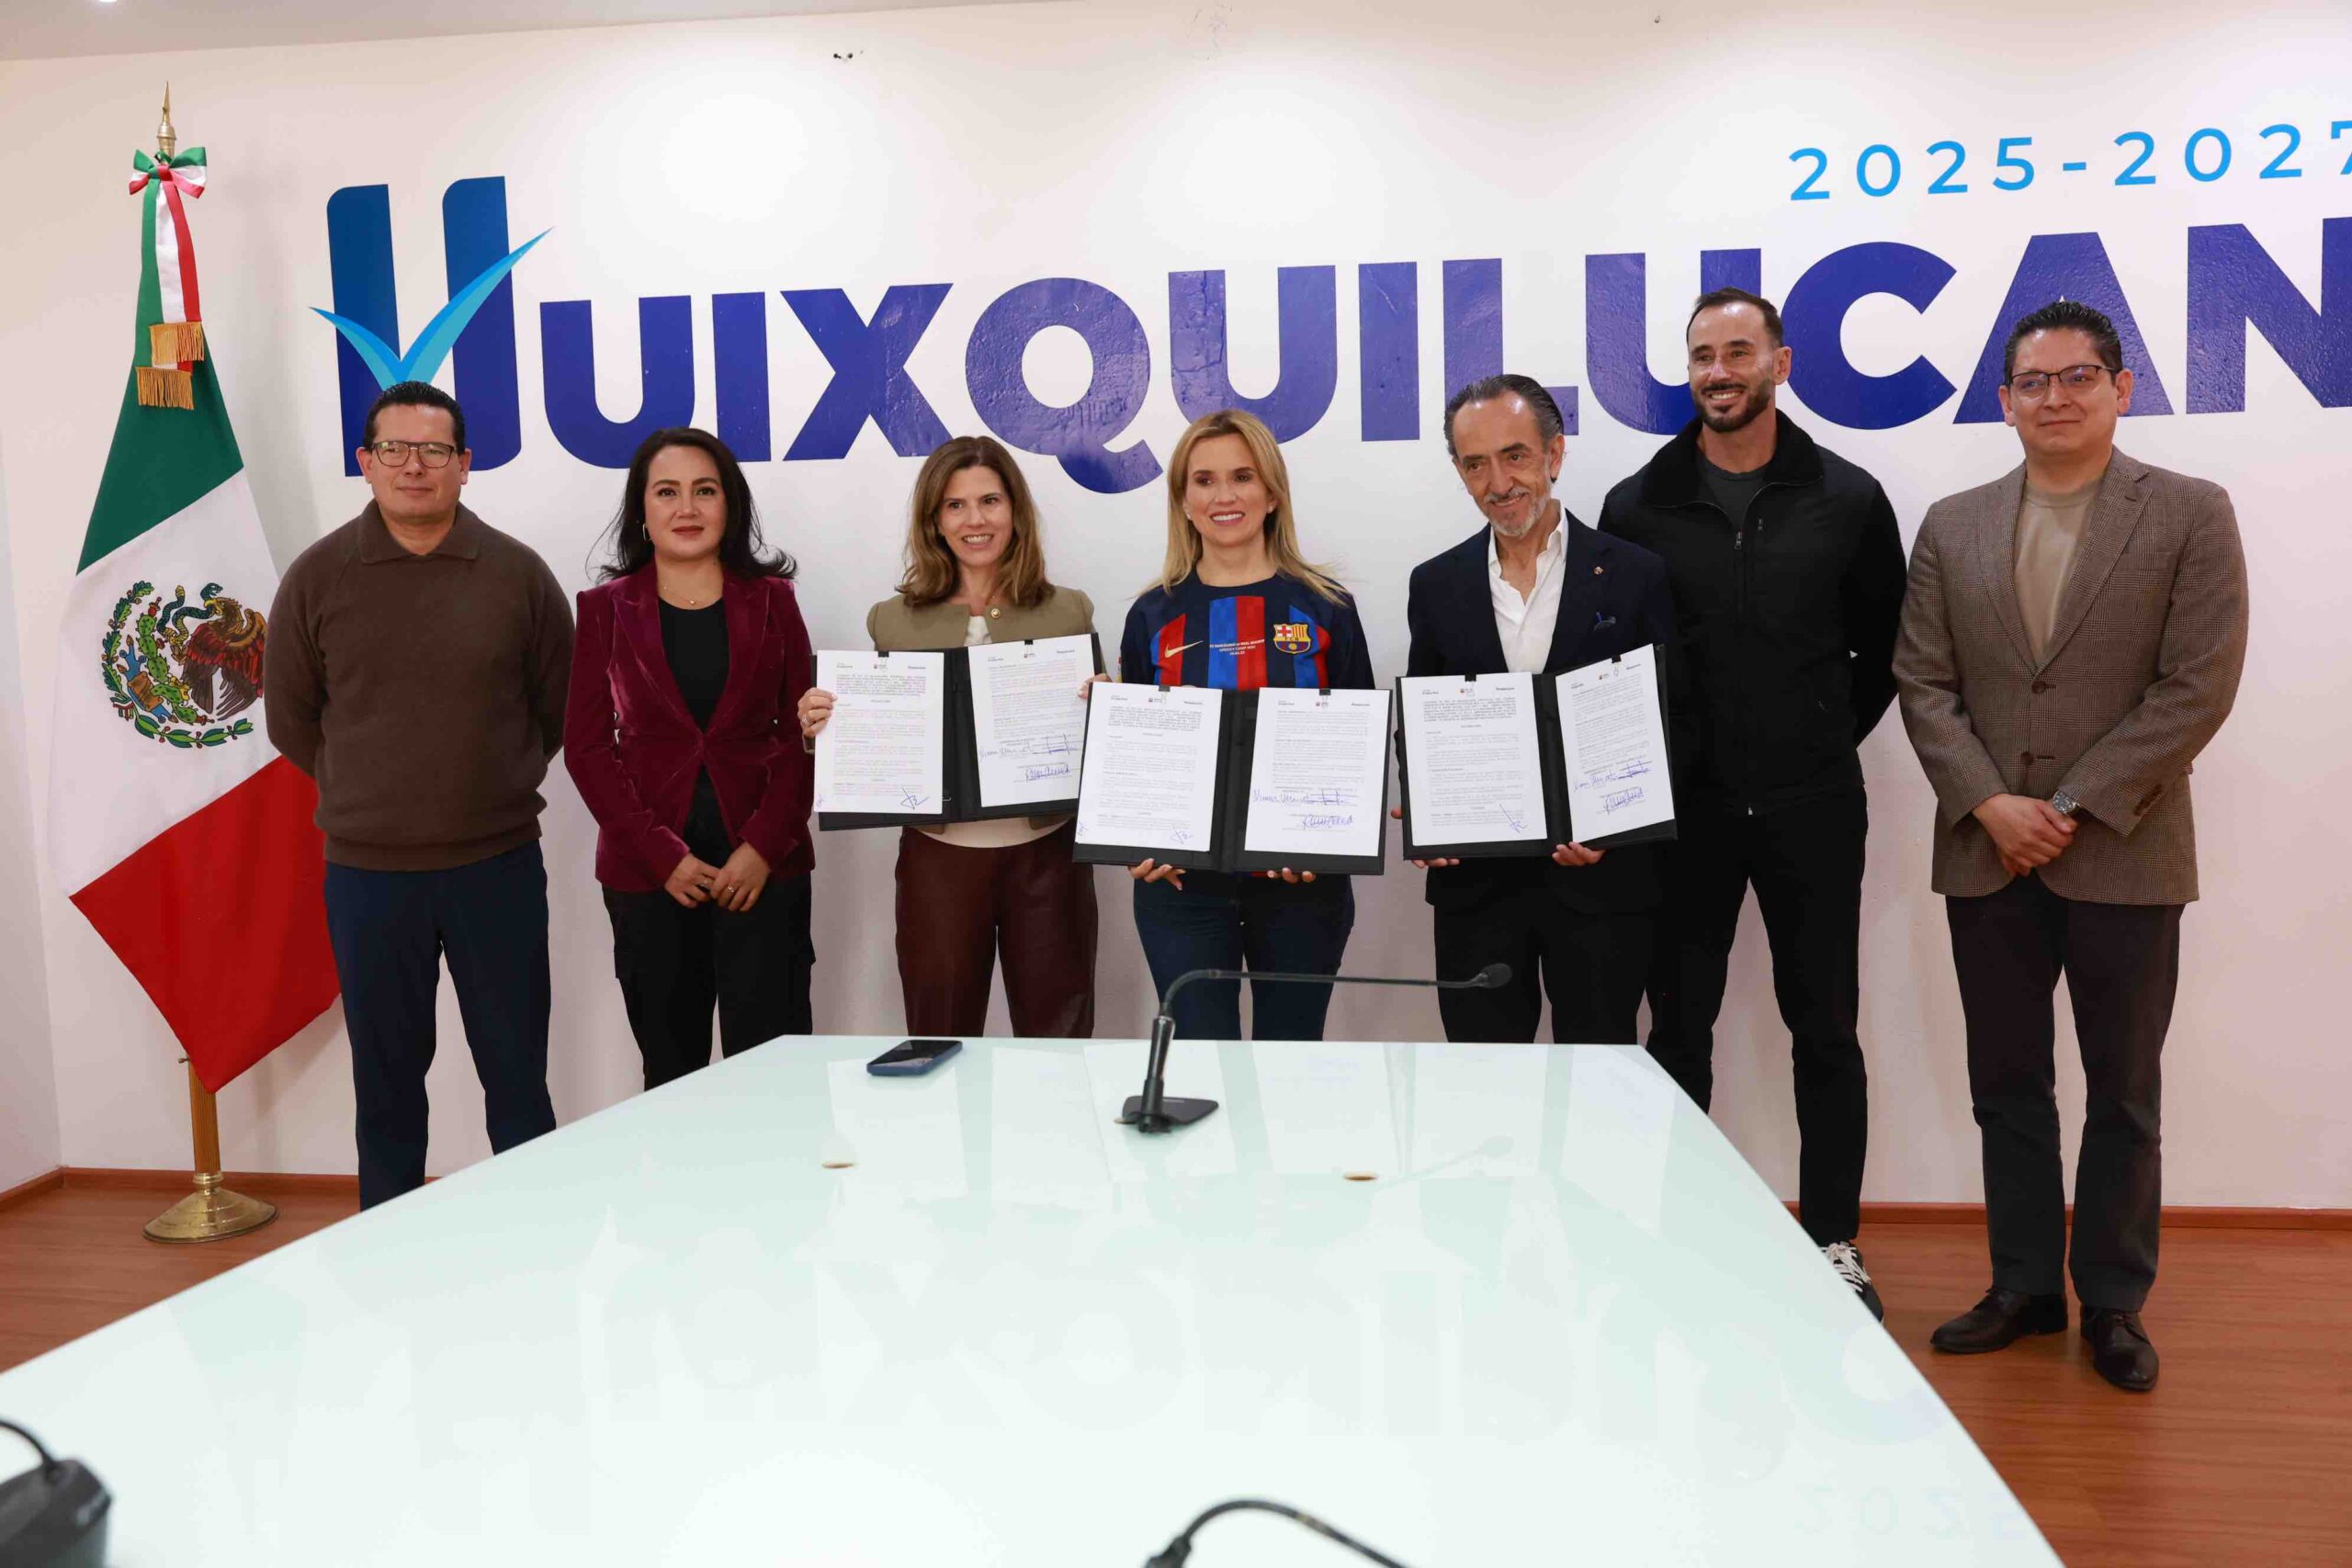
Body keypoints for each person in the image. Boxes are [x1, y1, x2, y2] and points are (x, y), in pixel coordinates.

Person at [1894, 300, 2248, 1391]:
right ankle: (2022, 1288)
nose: (2054, 397)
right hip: (1985, 850)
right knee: (2006, 1083)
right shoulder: (1951, 525)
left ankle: (2113, 1301)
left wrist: (2072, 804)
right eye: (2032, 382)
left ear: (2119, 388)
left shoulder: (2188, 512)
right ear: (2004, 402)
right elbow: (1922, 681)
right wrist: (1990, 804)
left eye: (2077, 376)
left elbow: (2197, 685)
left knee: (2122, 1091)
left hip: (2127, 849)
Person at [1598, 288, 1907, 1319]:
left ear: (1780, 361)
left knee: (1825, 1029)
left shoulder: (1848, 497)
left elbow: (1885, 651)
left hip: (1811, 805)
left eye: (1738, 351)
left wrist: (1813, 736)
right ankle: (1673, 1225)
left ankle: (1834, 1241)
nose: (1718, 371)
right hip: (1682, 816)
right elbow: (1616, 665)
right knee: (1678, 1029)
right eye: (1702, 355)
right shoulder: (1637, 504)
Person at [265, 380, 571, 1209]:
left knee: (517, 1076)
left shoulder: (518, 574)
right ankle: (386, 1251)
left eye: (434, 450)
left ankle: (538, 1238)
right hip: (369, 877)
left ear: (464, 464)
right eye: (394, 449)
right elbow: (291, 721)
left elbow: (557, 709)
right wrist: (373, 792)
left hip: (497, 867)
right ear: (365, 462)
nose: (413, 466)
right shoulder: (318, 577)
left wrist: (486, 782)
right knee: (388, 1083)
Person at [1396, 375, 1677, 1044]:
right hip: (1476, 894)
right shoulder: (1434, 584)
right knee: (1486, 1082)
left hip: (1600, 886)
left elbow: (1673, 723)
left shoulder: (1637, 574)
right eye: (1475, 464)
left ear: (1554, 454)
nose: (1499, 482)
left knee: (1599, 1074)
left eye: (1515, 455)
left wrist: (1619, 829)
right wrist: (1426, 805)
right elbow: (1424, 719)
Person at [795, 435, 1098, 1038]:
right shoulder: (893, 619)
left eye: (989, 500)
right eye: (955, 505)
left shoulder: (1069, 611)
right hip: (939, 861)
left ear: (1015, 510)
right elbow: (880, 734)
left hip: (1048, 856)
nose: (974, 519)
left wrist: (1105, 705)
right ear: (933, 520)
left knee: (1058, 1040)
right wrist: (822, 725)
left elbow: (1099, 747)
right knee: (938, 1036)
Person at [565, 427, 816, 1090]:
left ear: (729, 504)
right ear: (641, 511)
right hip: (650, 873)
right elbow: (587, 748)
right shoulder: (603, 610)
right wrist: (661, 854)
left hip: (763, 866)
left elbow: (803, 735)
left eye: (705, 491)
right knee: (672, 1076)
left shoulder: (775, 600)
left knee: (775, 1077)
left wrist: (763, 846)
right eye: (667, 492)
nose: (687, 508)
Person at [1114, 408, 1375, 1042]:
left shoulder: (1326, 608)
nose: (1223, 496)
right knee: (1201, 1064)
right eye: (1203, 480)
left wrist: (1324, 845)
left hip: (1301, 890)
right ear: (1183, 500)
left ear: (1272, 492)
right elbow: (1137, 762)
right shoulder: (1151, 615)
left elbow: (1357, 751)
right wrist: (1134, 844)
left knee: (1291, 1061)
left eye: (1242, 476)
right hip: (1181, 890)